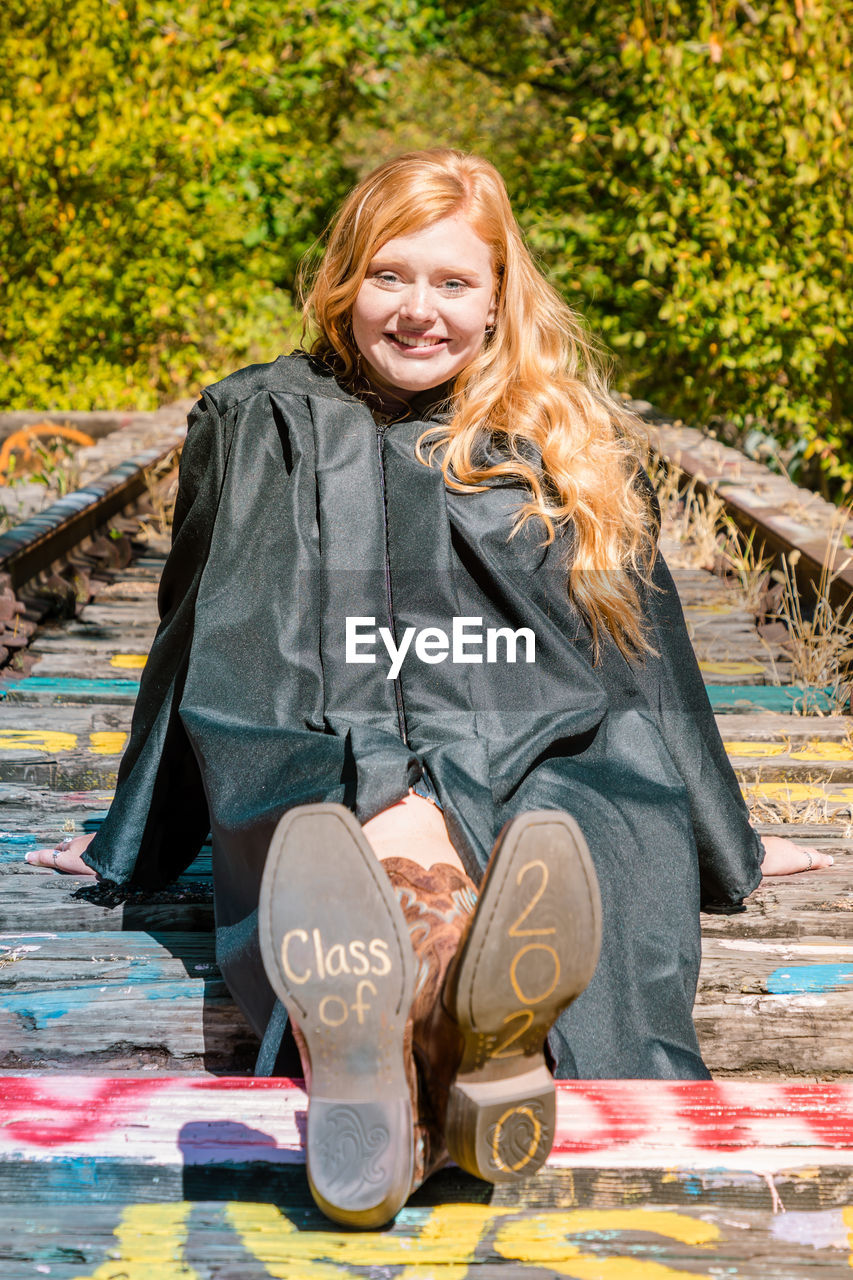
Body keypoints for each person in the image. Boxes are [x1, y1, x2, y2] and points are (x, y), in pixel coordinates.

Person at [28, 148, 833, 1226]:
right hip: (310, 742)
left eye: (452, 282)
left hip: (546, 751)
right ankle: (454, 1033)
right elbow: (194, 629)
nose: (418, 311)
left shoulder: (555, 433)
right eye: (389, 275)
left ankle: (388, 1032)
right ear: (343, 281)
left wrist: (716, 830)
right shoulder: (257, 415)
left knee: (534, 832)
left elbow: (643, 645)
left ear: (499, 298)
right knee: (352, 819)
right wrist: (130, 835)